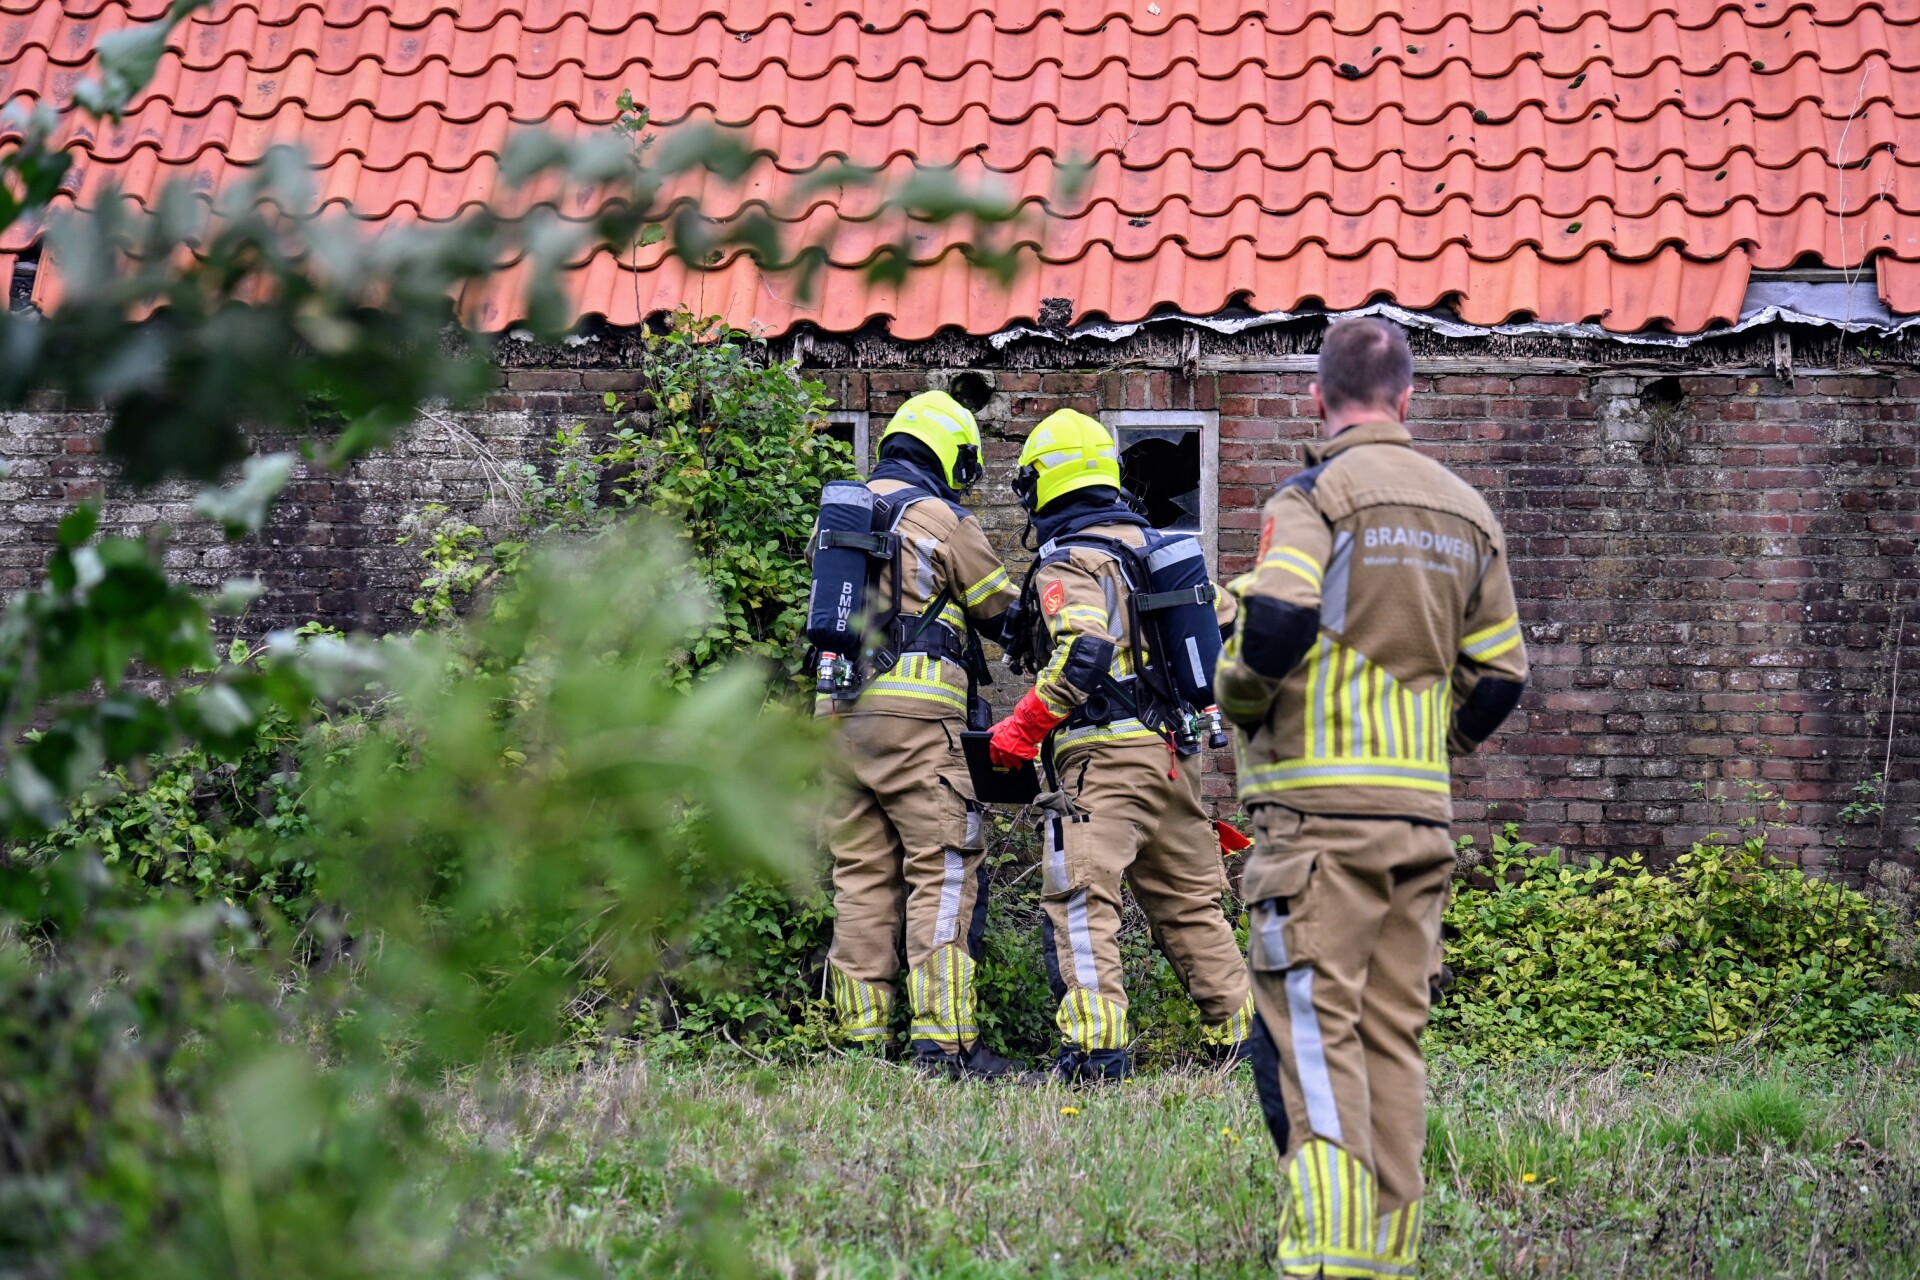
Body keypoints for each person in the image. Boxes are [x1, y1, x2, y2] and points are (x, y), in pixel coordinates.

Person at [1216, 318, 1528, 1277]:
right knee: (1393, 1041)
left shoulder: (1316, 496)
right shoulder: (1469, 511)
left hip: (1317, 824)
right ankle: (1386, 1253)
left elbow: (1274, 617)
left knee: (1309, 1035)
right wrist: (1436, 745)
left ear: (1317, 399)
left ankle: (1327, 1257)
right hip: (1418, 824)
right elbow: (1504, 676)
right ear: (1406, 398)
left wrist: (1238, 695)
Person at [988, 408, 1255, 1083]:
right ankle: (1243, 1041)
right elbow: (1229, 620)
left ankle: (1095, 1055)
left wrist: (1021, 731)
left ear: (1043, 485)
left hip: (1101, 765)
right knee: (1191, 907)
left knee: (1082, 901)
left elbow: (1085, 647)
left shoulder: (1070, 559)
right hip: (1174, 760)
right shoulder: (1158, 553)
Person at [812, 390, 1021, 1080]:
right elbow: (1001, 611)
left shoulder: (839, 518)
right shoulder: (940, 518)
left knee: (861, 875)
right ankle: (945, 1043)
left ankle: (859, 1040)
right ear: (949, 455)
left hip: (838, 719)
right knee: (943, 868)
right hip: (916, 719)